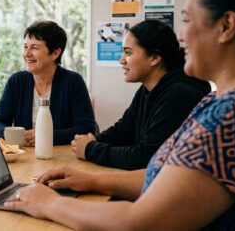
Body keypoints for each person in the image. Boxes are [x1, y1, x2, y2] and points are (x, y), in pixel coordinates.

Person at [5, 0, 235, 229]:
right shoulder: (224, 101)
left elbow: (139, 223)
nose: (181, 37)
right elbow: (163, 177)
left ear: (227, 25)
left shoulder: (233, 114)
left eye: (187, 21)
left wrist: (48, 203)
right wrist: (90, 180)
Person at [71, 20, 210, 170]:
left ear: (155, 58)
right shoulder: (147, 89)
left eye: (128, 52)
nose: (121, 60)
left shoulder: (179, 96)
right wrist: (90, 141)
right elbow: (122, 131)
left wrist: (90, 149)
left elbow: (144, 158)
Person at [0, 21, 96, 146]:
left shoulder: (73, 82)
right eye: (25, 47)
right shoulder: (16, 81)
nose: (26, 54)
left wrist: (46, 136)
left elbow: (86, 128)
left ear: (55, 53)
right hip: (24, 156)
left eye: (34, 47)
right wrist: (13, 136)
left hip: (61, 156)